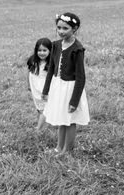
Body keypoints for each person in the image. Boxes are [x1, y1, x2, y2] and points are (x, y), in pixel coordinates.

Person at [42, 12, 90, 154]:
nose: (61, 32)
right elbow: (51, 69)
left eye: (65, 28)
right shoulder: (55, 45)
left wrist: (74, 101)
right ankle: (58, 147)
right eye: (59, 28)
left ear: (74, 29)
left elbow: (81, 77)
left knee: (69, 119)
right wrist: (46, 90)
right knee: (61, 118)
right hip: (58, 87)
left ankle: (66, 150)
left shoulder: (77, 49)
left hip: (70, 88)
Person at [27, 37, 52, 131]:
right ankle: (40, 125)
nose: (42, 53)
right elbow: (29, 73)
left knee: (44, 110)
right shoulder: (33, 60)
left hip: (44, 89)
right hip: (35, 89)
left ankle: (39, 129)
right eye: (39, 50)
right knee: (39, 109)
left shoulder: (50, 63)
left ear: (50, 50)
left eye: (44, 50)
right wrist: (28, 85)